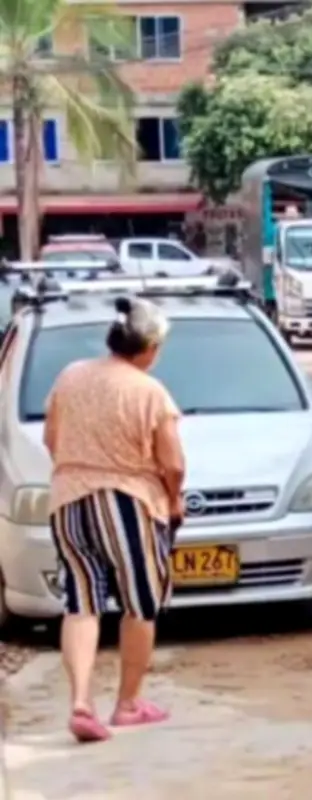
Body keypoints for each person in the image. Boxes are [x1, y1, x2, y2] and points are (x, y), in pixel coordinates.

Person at [44, 296, 185, 742]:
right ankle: (127, 704)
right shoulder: (149, 391)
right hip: (128, 502)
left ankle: (80, 704)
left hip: (68, 501)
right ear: (150, 347)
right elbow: (173, 463)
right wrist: (173, 499)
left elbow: (51, 438)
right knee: (140, 603)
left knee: (81, 603)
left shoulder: (70, 376)